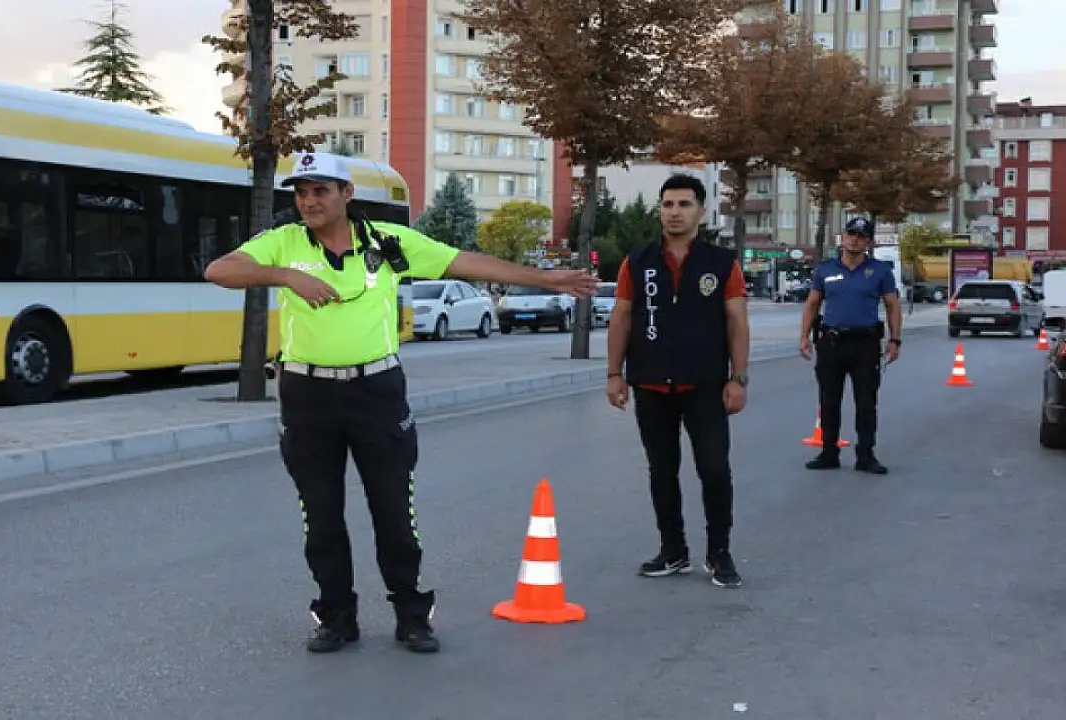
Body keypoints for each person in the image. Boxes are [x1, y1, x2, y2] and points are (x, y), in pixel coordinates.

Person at [204, 152, 597, 654]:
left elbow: (464, 261)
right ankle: (336, 616)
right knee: (320, 515)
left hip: (377, 390)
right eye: (301, 193)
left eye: (320, 191)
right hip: (308, 393)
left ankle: (411, 614)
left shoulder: (387, 243)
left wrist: (546, 279)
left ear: (346, 194)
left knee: (393, 509)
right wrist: (286, 277)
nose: (308, 202)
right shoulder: (284, 243)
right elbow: (220, 270)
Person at [605, 173, 750, 588]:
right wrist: (614, 373)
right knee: (662, 471)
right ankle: (673, 550)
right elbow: (622, 316)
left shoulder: (721, 263)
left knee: (714, 470)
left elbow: (737, 321)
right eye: (668, 204)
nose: (675, 212)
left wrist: (738, 378)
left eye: (684, 204)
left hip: (705, 385)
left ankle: (719, 553)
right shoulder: (638, 261)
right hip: (651, 384)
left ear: (701, 212)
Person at [798, 217, 901, 475]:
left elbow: (892, 305)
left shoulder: (879, 271)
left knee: (866, 403)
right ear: (843, 237)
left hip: (865, 345)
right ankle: (828, 452)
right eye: (851, 234)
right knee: (828, 401)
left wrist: (895, 340)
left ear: (869, 242)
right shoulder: (825, 270)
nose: (855, 240)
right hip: (832, 343)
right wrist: (804, 337)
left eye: (861, 236)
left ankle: (865, 455)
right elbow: (812, 304)